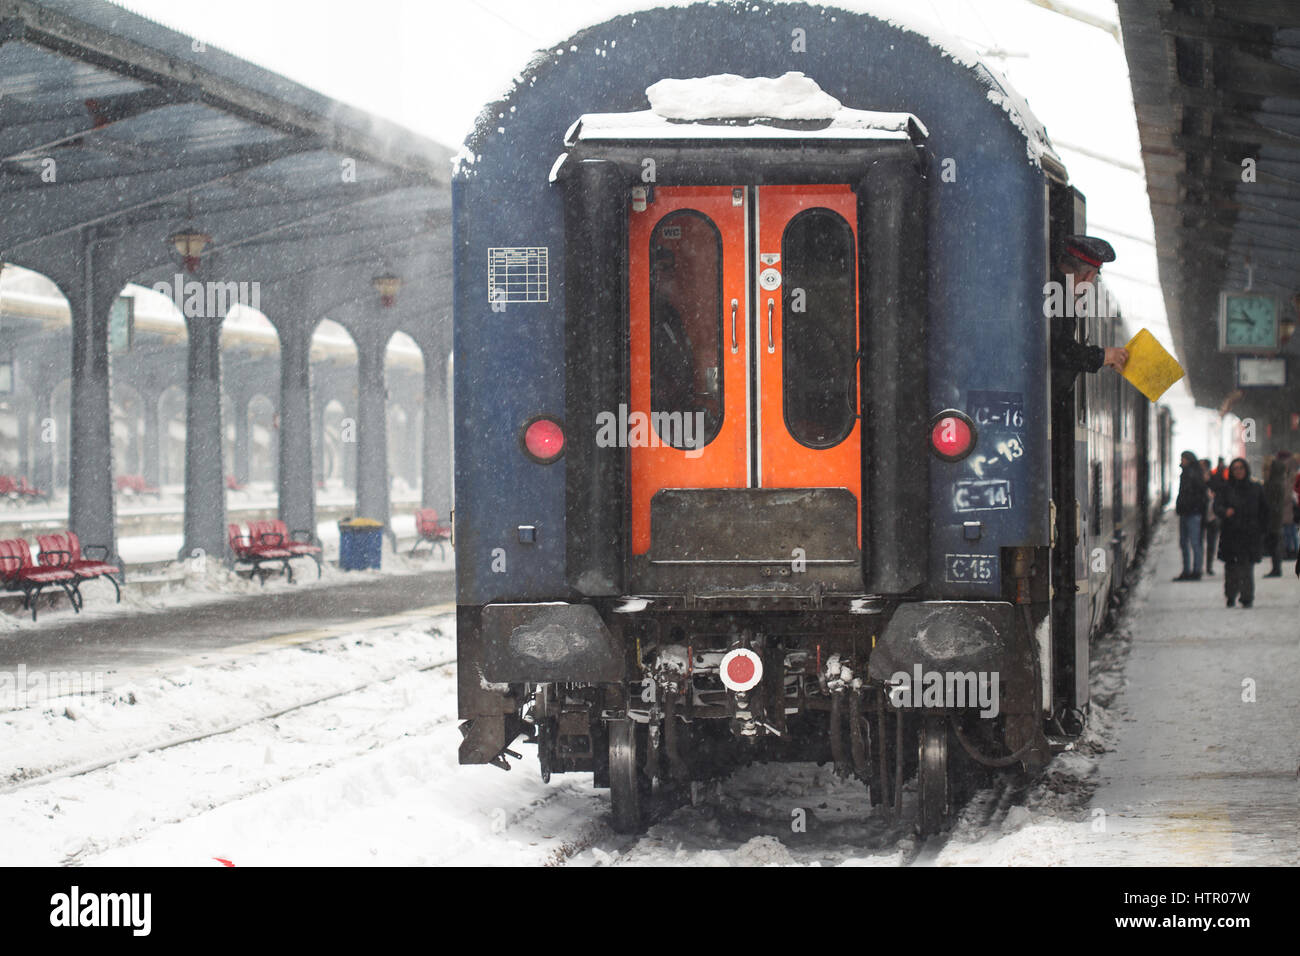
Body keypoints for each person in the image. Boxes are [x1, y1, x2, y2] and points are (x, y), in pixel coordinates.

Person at [1049, 236, 1129, 389]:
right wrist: (1104, 356)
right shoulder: (1059, 295)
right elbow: (1059, 351)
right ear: (1089, 276)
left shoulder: (1050, 284)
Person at [1215, 457, 1269, 608]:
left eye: (1241, 468)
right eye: (1235, 469)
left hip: (1249, 533)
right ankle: (1230, 595)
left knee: (1246, 567)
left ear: (1246, 470)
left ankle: (1247, 597)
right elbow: (1217, 506)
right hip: (1230, 533)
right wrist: (1225, 511)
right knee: (1231, 567)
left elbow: (1264, 510)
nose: (1238, 471)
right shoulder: (1225, 489)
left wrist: (1262, 529)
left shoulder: (1255, 488)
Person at [1173, 450, 1207, 580]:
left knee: (1192, 542)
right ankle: (1190, 571)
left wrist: (1189, 506)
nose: (1181, 461)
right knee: (1189, 543)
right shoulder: (1189, 473)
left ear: (1188, 460)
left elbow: (1198, 494)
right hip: (1188, 512)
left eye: (1183, 459)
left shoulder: (1192, 474)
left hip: (1192, 513)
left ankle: (1194, 571)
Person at [1262, 453, 1289, 577]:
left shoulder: (1274, 483)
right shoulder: (1279, 481)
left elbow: (1271, 501)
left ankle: (1276, 568)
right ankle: (1276, 567)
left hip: (1273, 517)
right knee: (1275, 542)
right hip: (1275, 516)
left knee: (1275, 542)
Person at [1201, 458, 1220, 576]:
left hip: (1213, 517)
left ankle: (1209, 566)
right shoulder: (1198, 482)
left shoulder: (1214, 481)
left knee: (1211, 543)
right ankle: (1200, 566)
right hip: (1202, 516)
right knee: (1199, 543)